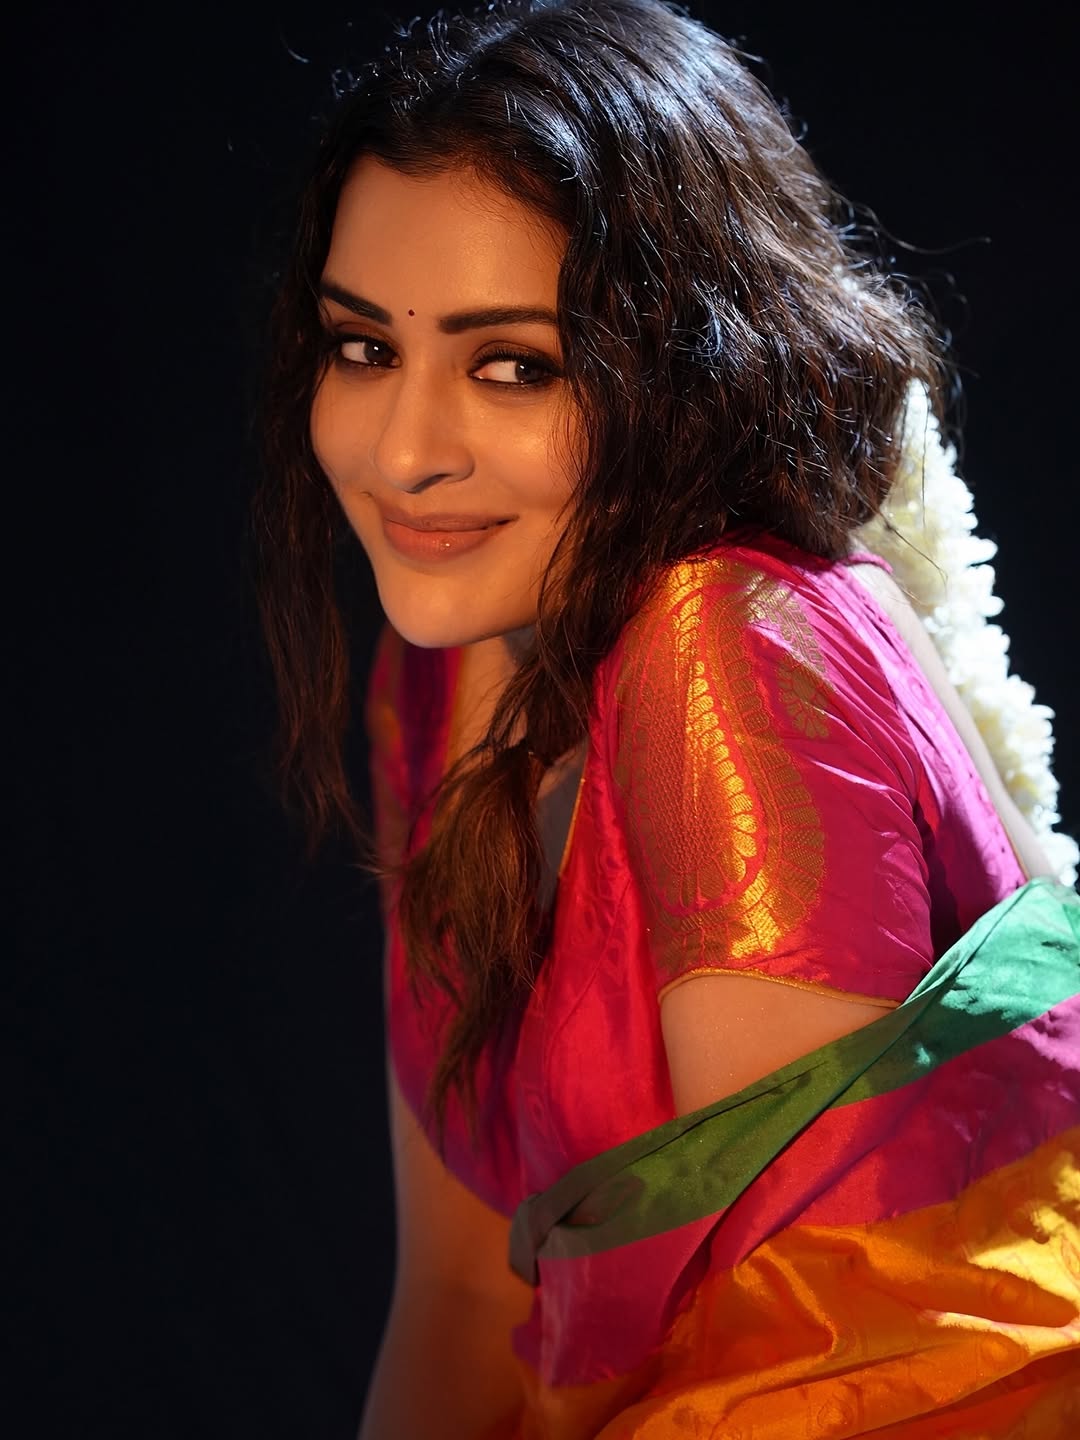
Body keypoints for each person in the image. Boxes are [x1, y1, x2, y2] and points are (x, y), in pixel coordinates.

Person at [251, 1, 1080, 1434]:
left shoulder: (729, 655)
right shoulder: (440, 675)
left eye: (513, 365)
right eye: (364, 348)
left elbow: (831, 1375)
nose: (402, 452)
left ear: (690, 363)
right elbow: (462, 1298)